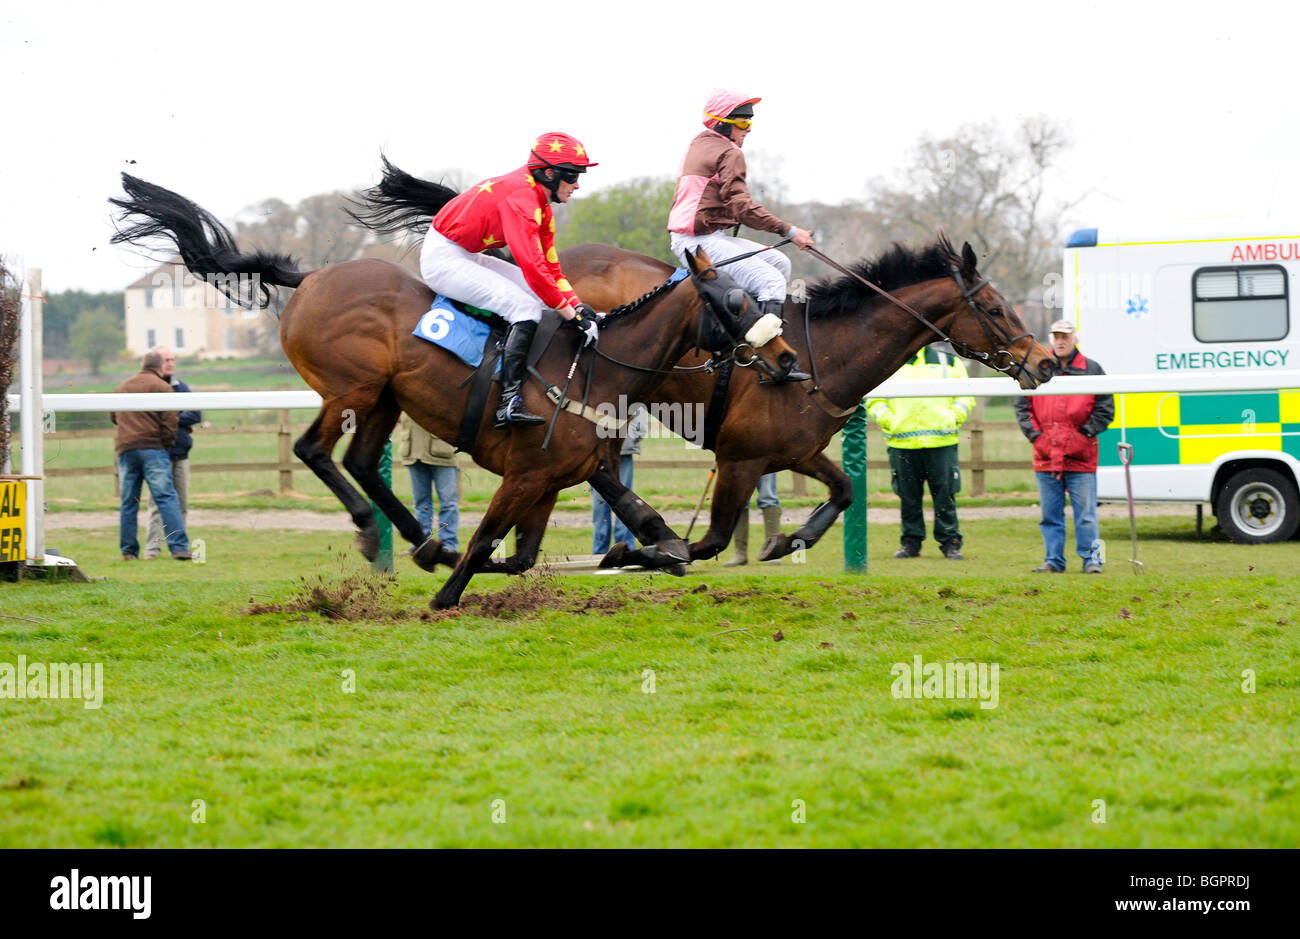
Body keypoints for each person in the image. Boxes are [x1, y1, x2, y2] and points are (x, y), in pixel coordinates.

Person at [420, 132, 602, 428]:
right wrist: (567, 313)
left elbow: (550, 269)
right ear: (549, 173)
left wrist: (577, 306)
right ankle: (508, 401)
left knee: (537, 299)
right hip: (445, 259)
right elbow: (531, 267)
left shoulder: (540, 204)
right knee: (525, 308)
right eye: (572, 176)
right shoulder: (523, 199)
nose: (577, 184)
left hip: (465, 253)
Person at [667, 89, 813, 381]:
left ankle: (754, 330)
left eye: (749, 124)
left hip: (704, 238)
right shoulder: (730, 152)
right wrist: (790, 230)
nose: (748, 130)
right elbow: (743, 207)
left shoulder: (699, 144)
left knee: (779, 263)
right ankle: (770, 361)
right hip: (699, 244)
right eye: (743, 123)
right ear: (722, 123)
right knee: (771, 280)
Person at [1015, 319, 1115, 574]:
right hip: (1045, 455)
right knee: (1050, 516)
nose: (1061, 341)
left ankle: (1095, 560)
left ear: (1074, 340)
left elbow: (1105, 408)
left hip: (1081, 456)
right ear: (1051, 339)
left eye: (1066, 337)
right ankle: (1053, 560)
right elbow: (1022, 407)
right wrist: (1037, 437)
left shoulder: (1092, 369)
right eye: (1057, 336)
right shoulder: (1038, 367)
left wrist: (1084, 435)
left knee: (1088, 515)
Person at [866, 344, 975, 560]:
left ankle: (950, 543)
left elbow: (965, 397)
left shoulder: (949, 362)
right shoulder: (889, 362)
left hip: (941, 442)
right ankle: (911, 543)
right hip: (902, 444)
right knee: (908, 498)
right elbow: (874, 398)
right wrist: (889, 420)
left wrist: (953, 418)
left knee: (945, 496)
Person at [110, 350, 191, 560]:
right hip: (154, 448)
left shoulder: (122, 387)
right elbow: (170, 420)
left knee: (129, 501)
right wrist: (166, 443)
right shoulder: (162, 387)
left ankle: (128, 551)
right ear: (159, 367)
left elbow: (113, 416)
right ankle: (179, 547)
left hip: (126, 449)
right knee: (166, 497)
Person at [143, 346, 200, 559]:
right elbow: (151, 418)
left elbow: (195, 414)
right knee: (157, 503)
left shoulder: (180, 386)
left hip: (181, 453)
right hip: (158, 454)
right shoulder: (149, 387)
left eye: (172, 359)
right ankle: (153, 549)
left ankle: (179, 547)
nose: (170, 363)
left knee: (181, 503)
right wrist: (176, 416)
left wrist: (170, 417)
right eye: (166, 359)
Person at [398, 413, 459, 551]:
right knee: (421, 503)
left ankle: (448, 545)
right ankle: (421, 544)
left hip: (442, 453)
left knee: (448, 503)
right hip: (413, 453)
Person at [591, 403, 646, 554]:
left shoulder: (632, 392)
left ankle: (626, 548)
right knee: (599, 505)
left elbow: (640, 425)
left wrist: (618, 444)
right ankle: (599, 551)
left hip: (623, 455)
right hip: (598, 456)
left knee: (624, 502)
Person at [725, 473, 782, 566]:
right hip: (740, 460)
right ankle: (740, 554)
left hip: (765, 459)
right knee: (739, 500)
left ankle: (773, 552)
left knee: (768, 498)